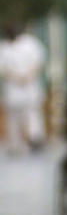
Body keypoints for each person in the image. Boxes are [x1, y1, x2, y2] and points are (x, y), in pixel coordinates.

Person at [0, 25, 46, 153]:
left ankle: (36, 140)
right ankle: (15, 145)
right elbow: (3, 68)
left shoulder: (30, 43)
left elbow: (39, 61)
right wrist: (16, 77)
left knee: (33, 115)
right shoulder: (4, 47)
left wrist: (28, 75)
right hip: (13, 88)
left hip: (29, 86)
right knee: (14, 118)